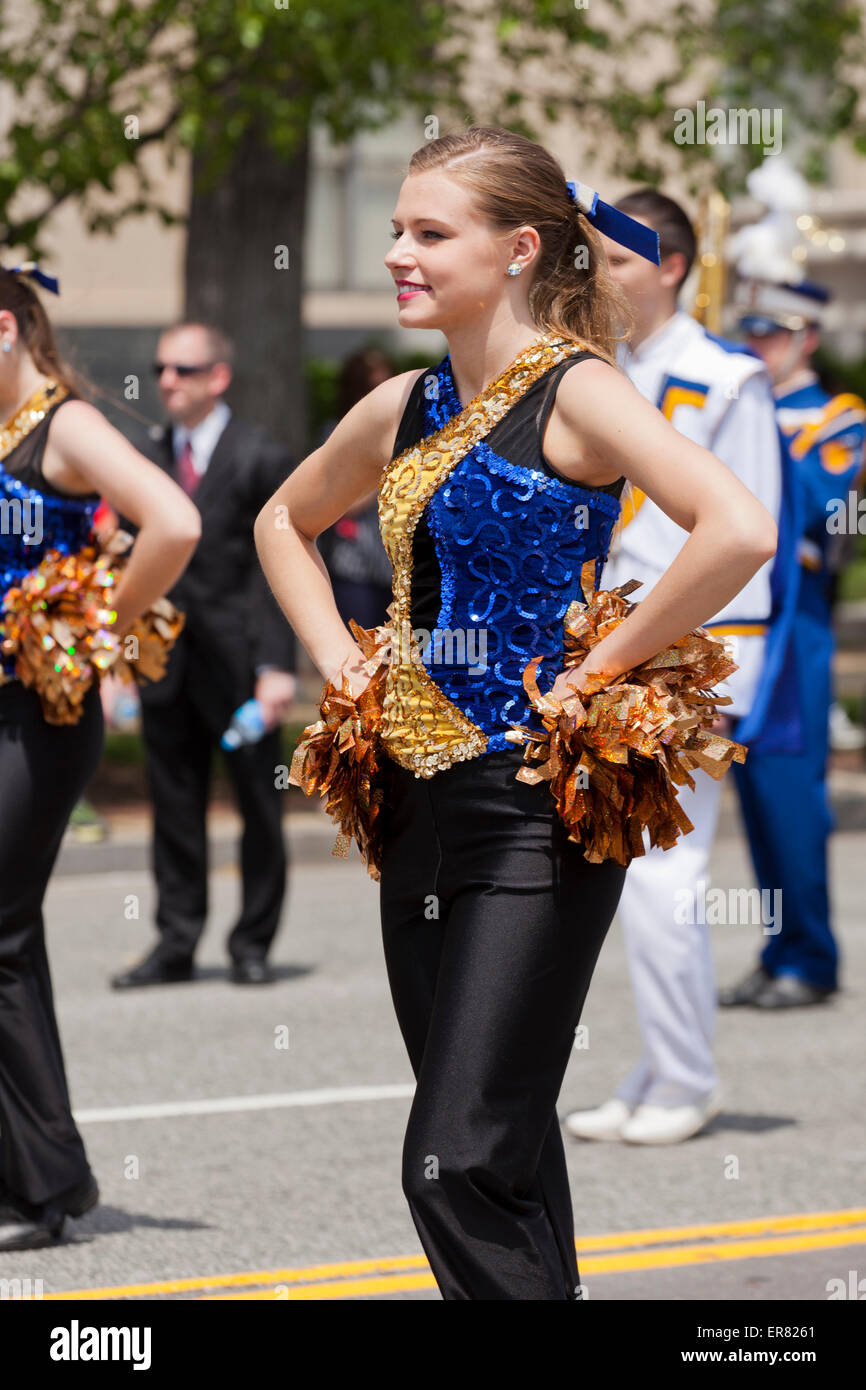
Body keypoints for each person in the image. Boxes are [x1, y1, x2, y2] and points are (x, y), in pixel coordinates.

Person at [254, 125, 776, 1301]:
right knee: (511, 1145)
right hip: (412, 815)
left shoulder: (577, 393)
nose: (397, 251)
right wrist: (339, 656)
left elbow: (737, 526)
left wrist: (600, 671)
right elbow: (280, 522)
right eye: (398, 227)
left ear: (518, 247)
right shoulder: (404, 399)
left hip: (533, 809)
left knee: (453, 1163)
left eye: (428, 233)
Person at [565, 190, 787, 1146]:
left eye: (615, 262)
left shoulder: (727, 377)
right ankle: (661, 1062)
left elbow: (749, 536)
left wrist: (724, 680)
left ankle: (688, 1078)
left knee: (666, 875)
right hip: (614, 642)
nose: (598, 280)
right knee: (630, 866)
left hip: (697, 651)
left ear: (672, 266)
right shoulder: (596, 372)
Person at [0, 263, 200, 1252]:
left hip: (39, 711)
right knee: (6, 933)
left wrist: (95, 630)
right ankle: (39, 1170)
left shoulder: (64, 424)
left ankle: (44, 1184)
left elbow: (175, 520)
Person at [111, 322, 297, 990]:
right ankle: (176, 942)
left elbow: (281, 568)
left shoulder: (260, 456)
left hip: (240, 665)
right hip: (164, 665)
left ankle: (252, 942)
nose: (166, 381)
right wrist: (120, 657)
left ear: (218, 377)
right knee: (174, 806)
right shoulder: (145, 455)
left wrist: (278, 664)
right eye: (161, 368)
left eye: (183, 370)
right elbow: (126, 560)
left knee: (258, 806)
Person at [719, 240, 866, 1008]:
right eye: (749, 333)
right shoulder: (744, 401)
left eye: (771, 334)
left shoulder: (838, 418)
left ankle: (812, 957)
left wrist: (756, 419)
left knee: (791, 798)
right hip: (741, 622)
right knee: (756, 803)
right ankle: (780, 950)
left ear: (806, 338)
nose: (757, 347)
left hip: (795, 630)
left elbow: (817, 507)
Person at [319, 348, 396, 630]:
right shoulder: (336, 433)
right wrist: (389, 468)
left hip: (396, 566)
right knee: (360, 657)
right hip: (355, 564)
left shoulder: (407, 428)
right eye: (371, 385)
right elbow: (343, 502)